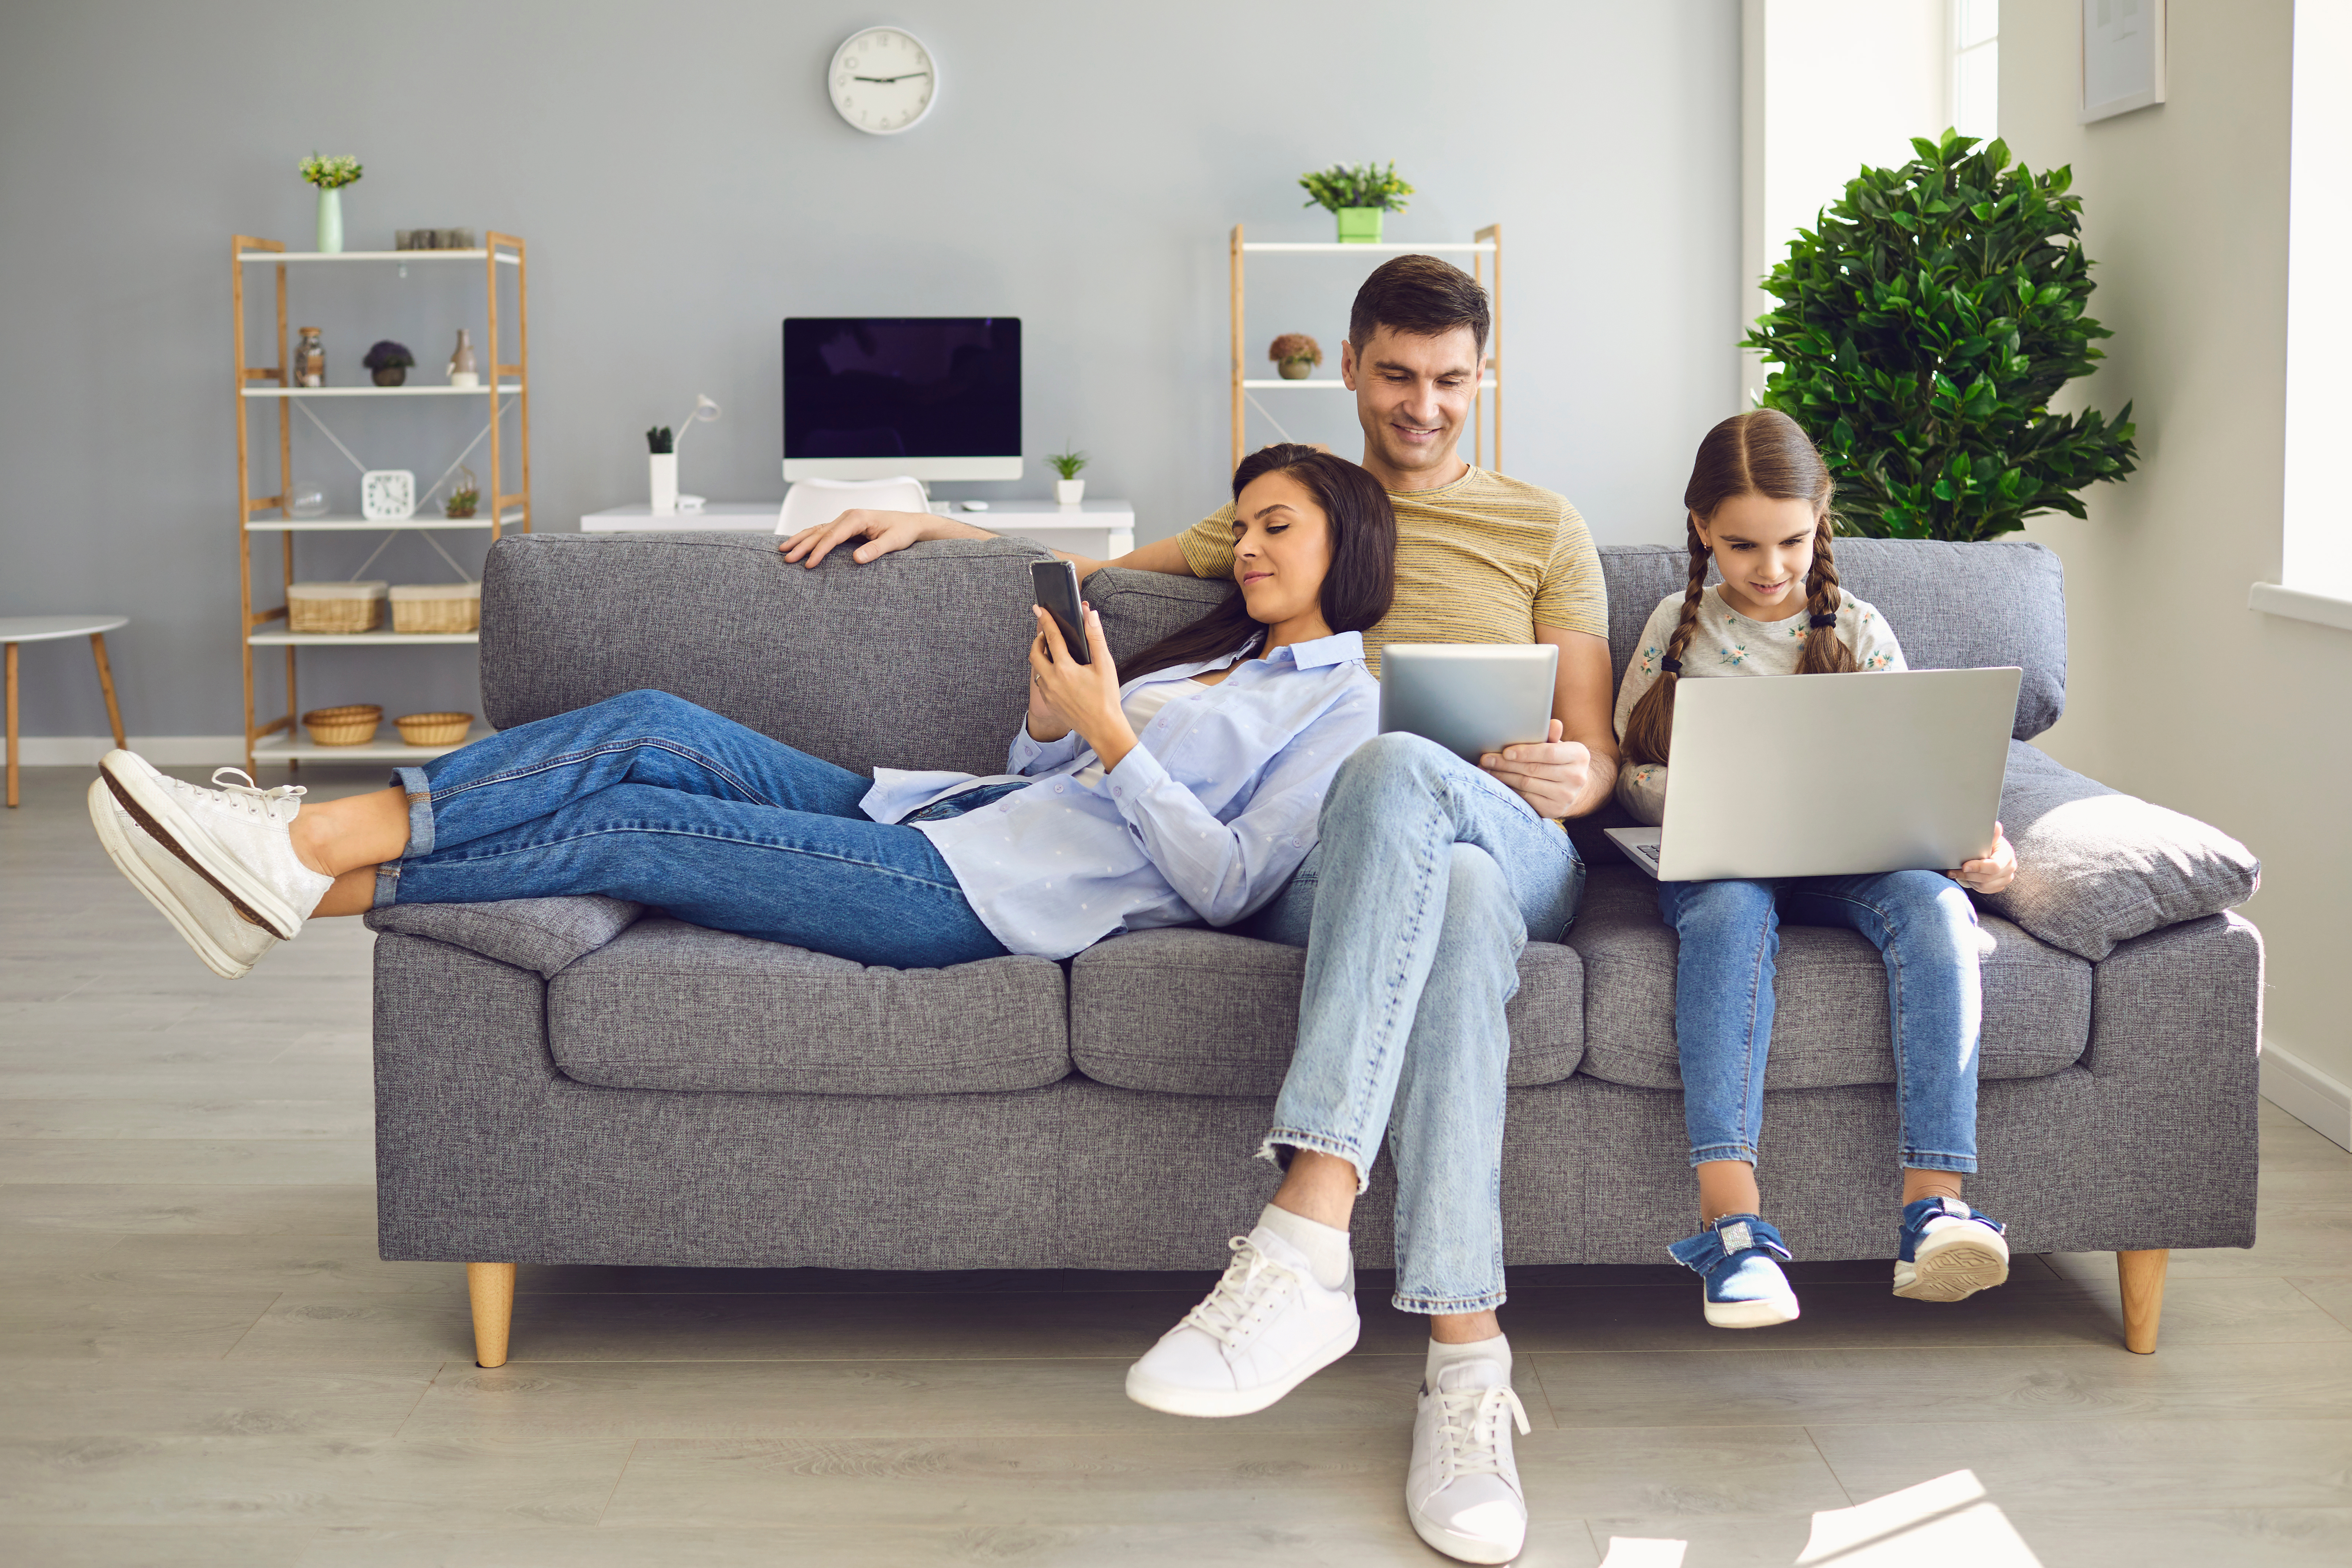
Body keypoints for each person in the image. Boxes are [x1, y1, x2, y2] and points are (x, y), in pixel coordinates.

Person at [783, 256, 1615, 1567]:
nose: (1423, 406)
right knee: (1422, 869)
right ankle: (1466, 1376)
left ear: (1482, 378)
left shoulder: (1542, 527)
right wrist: (942, 531)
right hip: (1337, 871)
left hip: (1507, 838)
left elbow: (1599, 743)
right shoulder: (1285, 519)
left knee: (1410, 776)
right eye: (1396, 376)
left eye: (1450, 381)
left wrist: (1583, 769)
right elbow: (1102, 571)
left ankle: (1303, 1249)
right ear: (1350, 369)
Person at [87, 446, 1391, 980]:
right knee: (652, 723)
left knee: (638, 823)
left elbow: (1228, 887)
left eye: (1278, 527)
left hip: (969, 900)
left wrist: (1109, 736)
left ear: (1353, 541)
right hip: (942, 815)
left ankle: (296, 864)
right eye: (1247, 526)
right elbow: (1033, 770)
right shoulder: (1207, 651)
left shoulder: (1342, 712)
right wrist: (1058, 721)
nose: (1246, 548)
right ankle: (291, 863)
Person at [1613, 409, 2019, 1331]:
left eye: (1791, 542)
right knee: (1724, 914)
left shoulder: (1861, 630)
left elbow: (1922, 770)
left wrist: (1977, 847)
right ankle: (1733, 1226)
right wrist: (1695, 797)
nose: (1768, 569)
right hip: (1722, 858)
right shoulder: (1674, 627)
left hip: (1851, 861)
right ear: (1701, 531)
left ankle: (1936, 1208)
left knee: (1936, 910)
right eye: (1741, 545)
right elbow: (1626, 768)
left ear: (1821, 522)